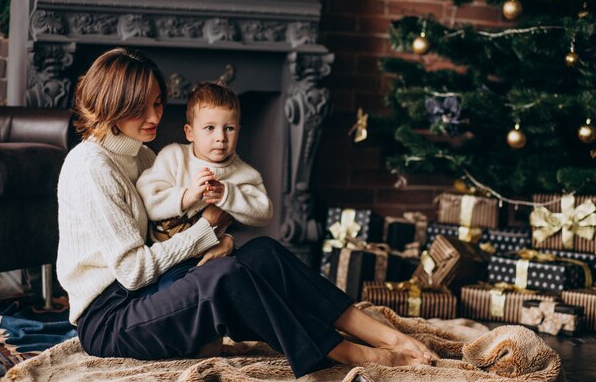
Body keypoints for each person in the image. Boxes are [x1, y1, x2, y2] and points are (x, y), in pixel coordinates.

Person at [56, 47, 438, 379]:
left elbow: (167, 231)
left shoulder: (140, 154)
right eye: (140, 108)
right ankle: (348, 353)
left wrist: (219, 241)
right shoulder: (92, 167)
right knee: (227, 276)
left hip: (151, 292)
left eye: (158, 102)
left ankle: (388, 336)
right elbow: (134, 270)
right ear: (112, 106)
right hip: (111, 320)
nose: (154, 115)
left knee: (263, 252)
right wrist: (207, 230)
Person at [136, 81, 272, 245]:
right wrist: (188, 196)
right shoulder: (173, 157)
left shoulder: (242, 173)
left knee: (264, 249)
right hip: (169, 254)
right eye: (209, 128)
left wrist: (227, 195)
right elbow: (148, 201)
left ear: (239, 130)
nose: (221, 137)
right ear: (190, 133)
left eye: (229, 128)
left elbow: (264, 213)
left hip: (211, 250)